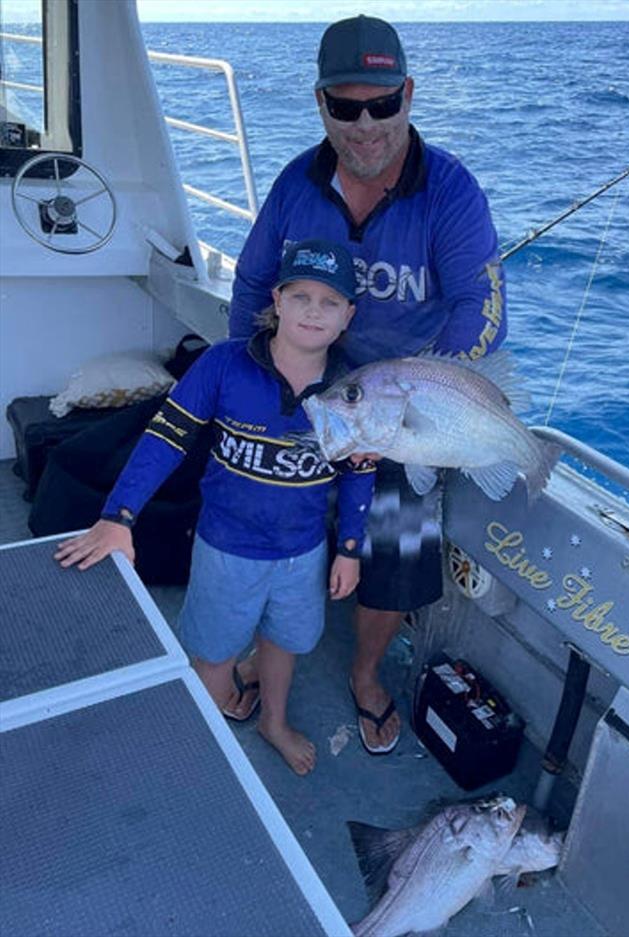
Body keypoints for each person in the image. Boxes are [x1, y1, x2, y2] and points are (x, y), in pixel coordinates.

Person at [227, 15, 507, 754]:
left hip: (411, 394)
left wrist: (426, 388)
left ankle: (365, 671)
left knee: (401, 528)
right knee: (260, 496)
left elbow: (484, 306)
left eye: (381, 103)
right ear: (320, 103)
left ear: (408, 94)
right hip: (314, 378)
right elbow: (253, 280)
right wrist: (247, 382)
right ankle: (268, 640)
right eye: (345, 106)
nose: (365, 124)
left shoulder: (450, 191)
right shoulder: (297, 183)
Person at [55, 239, 376, 776]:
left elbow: (360, 471)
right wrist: (118, 516)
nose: (313, 312)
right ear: (277, 300)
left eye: (329, 302)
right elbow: (165, 438)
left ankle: (273, 721)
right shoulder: (223, 364)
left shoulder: (358, 387)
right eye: (300, 297)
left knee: (283, 642)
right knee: (213, 657)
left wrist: (349, 548)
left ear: (349, 316)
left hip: (304, 552)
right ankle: (209, 752)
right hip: (225, 550)